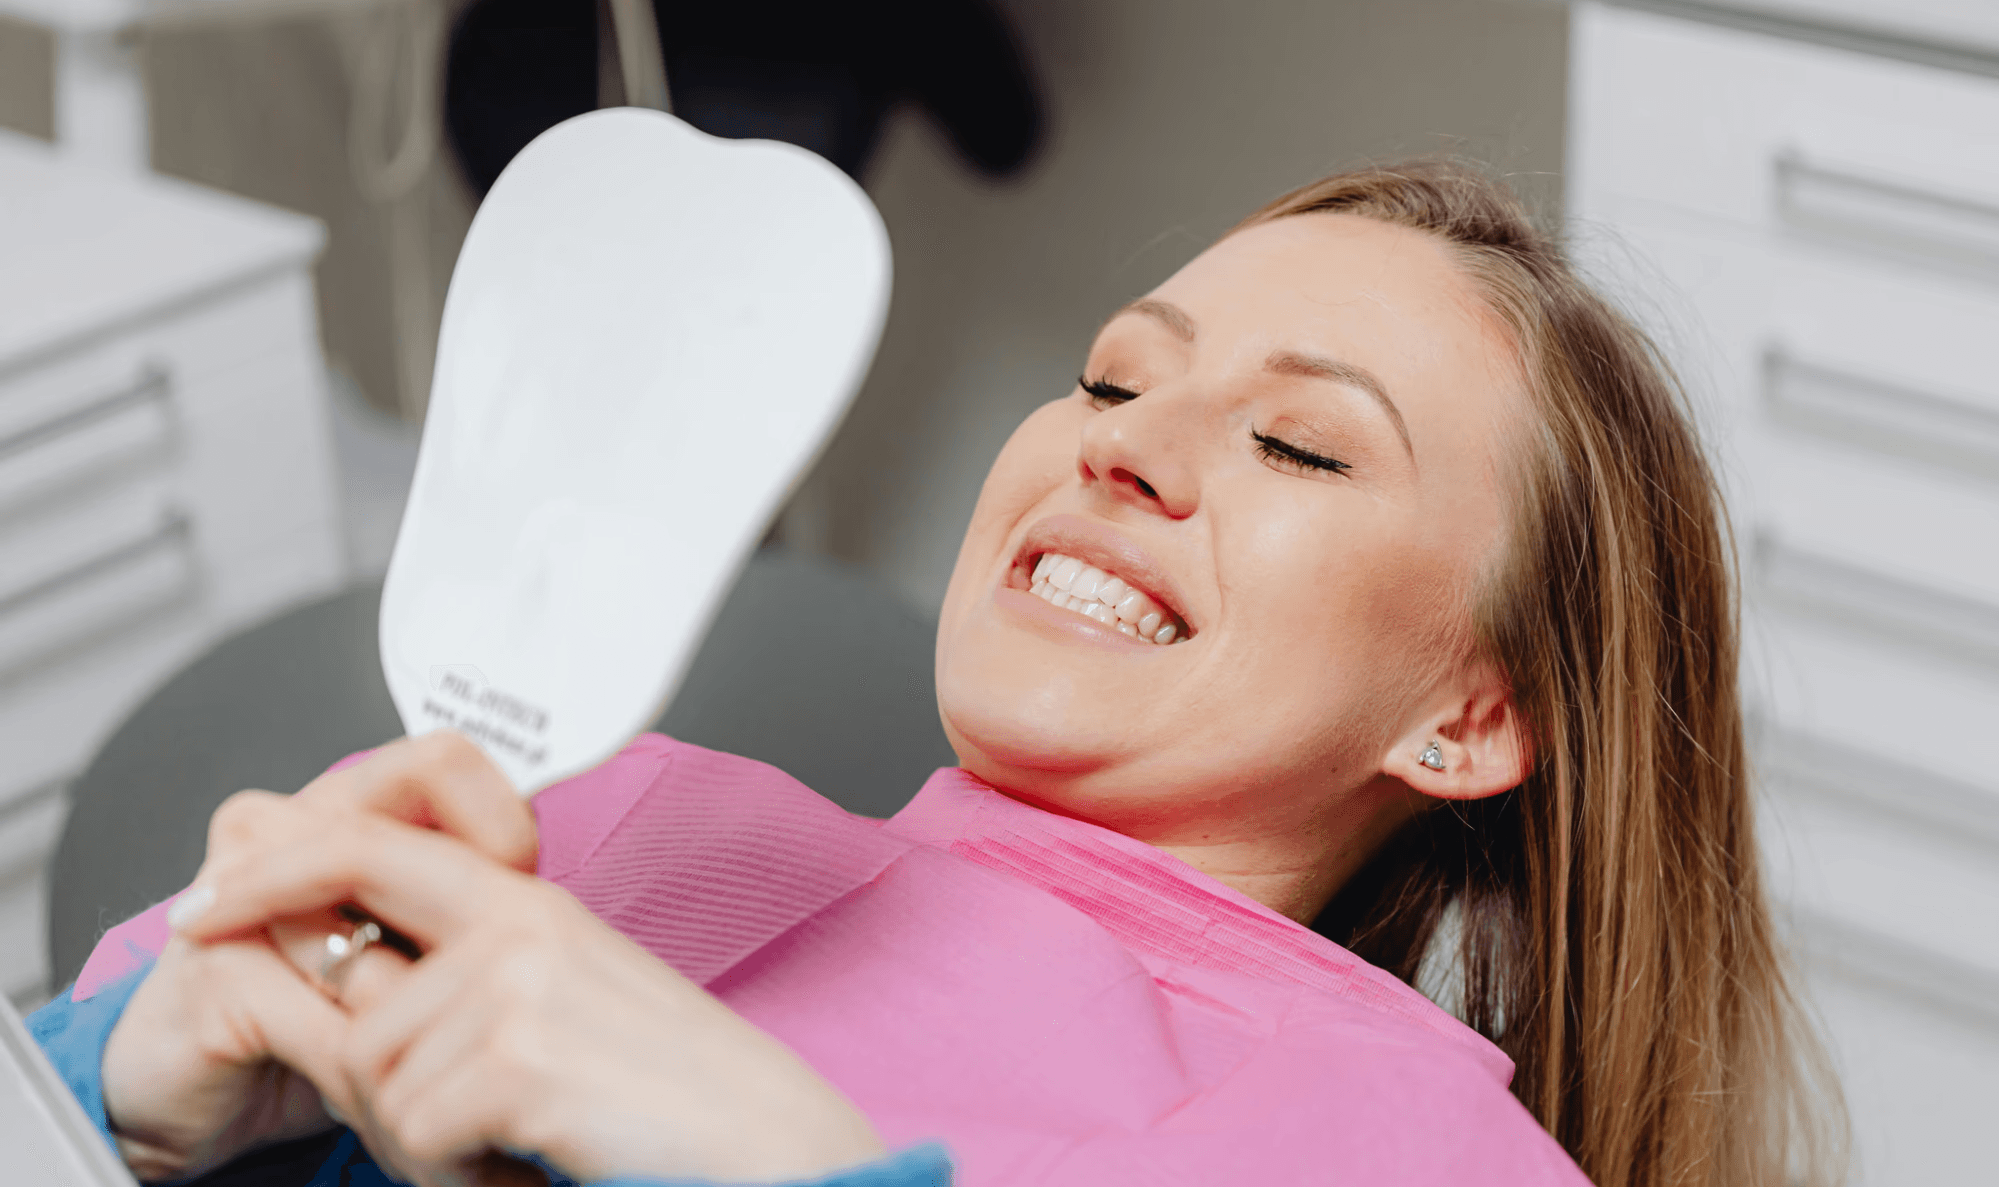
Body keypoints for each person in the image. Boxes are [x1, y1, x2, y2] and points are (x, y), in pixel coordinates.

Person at [30, 161, 1844, 1187]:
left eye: (1300, 445)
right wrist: (110, 1090)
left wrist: (781, 1160)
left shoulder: (1406, 1143)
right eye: (1116, 377)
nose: (1117, 446)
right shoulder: (582, 804)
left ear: (1468, 716)